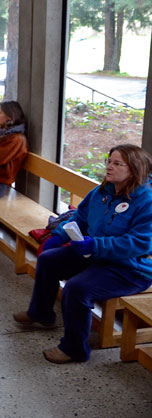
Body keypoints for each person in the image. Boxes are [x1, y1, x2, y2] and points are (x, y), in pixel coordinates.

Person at [14, 144, 152, 364]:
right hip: (99, 255)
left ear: (135, 169)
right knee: (49, 260)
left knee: (78, 288)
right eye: (109, 161)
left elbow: (140, 243)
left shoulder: (147, 201)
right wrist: (58, 237)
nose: (109, 167)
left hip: (131, 268)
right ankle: (41, 314)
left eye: (117, 164)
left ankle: (74, 349)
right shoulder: (102, 191)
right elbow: (80, 216)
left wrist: (95, 245)